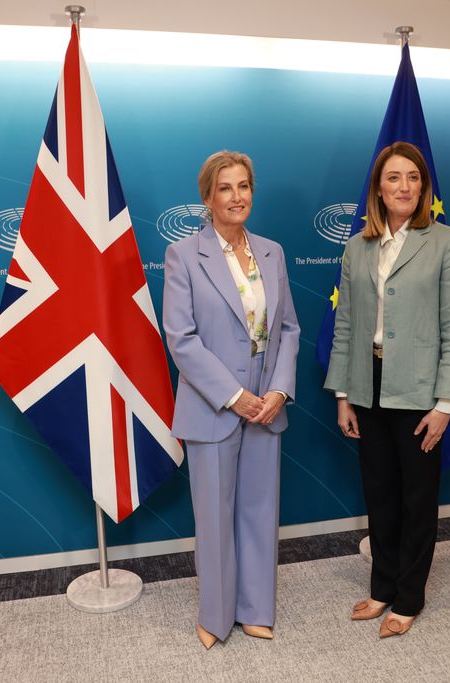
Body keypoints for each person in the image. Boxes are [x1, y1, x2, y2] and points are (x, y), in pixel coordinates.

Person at [324, 141, 450, 638]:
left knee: (417, 499)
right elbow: (346, 327)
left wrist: (445, 404)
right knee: (380, 494)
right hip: (367, 386)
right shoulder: (357, 247)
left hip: (420, 392)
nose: (404, 186)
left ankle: (409, 597)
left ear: (423, 187)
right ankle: (382, 586)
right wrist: (343, 394)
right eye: (393, 177)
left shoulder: (447, 243)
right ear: (379, 189)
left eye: (413, 177)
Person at [163, 150, 300, 649]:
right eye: (225, 188)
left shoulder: (272, 252)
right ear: (208, 197)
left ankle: (256, 609)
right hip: (214, 406)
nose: (236, 196)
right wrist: (234, 396)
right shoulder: (184, 255)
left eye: (243, 186)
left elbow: (288, 329)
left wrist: (279, 390)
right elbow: (182, 339)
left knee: (259, 511)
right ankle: (216, 616)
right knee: (215, 518)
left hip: (267, 404)